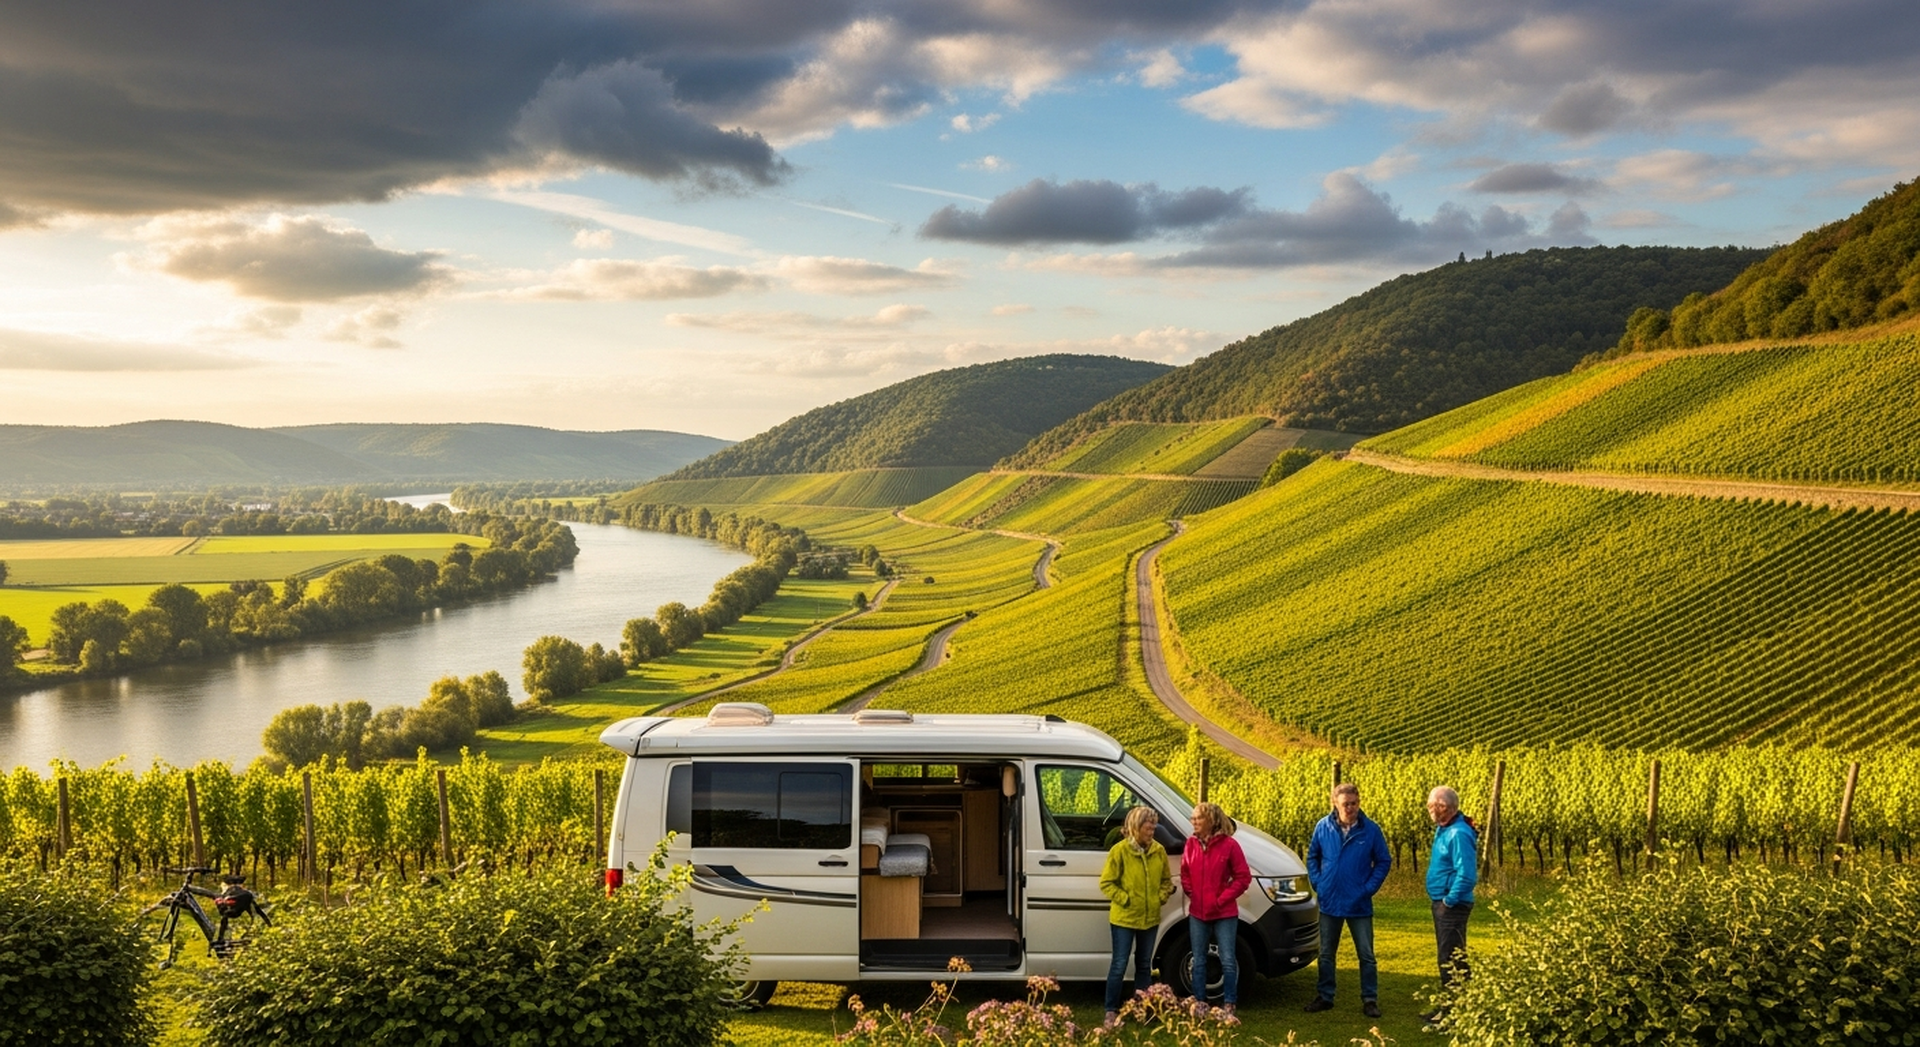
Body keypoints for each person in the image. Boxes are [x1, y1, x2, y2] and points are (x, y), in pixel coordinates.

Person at [1303, 782, 1391, 1019]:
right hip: (1330, 901)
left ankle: (1370, 999)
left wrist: (1368, 888)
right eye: (1345, 804)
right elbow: (1313, 856)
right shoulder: (1323, 827)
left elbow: (1383, 861)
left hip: (1358, 903)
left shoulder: (1371, 830)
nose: (1350, 808)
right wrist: (1318, 883)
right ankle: (1325, 996)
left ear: (1358, 802)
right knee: (1326, 953)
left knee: (1366, 955)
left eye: (1354, 803)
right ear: (1335, 804)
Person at [1100, 805, 1172, 1025]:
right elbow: (1106, 883)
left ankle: (1143, 1009)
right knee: (1119, 964)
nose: (1152, 829)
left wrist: (1161, 897)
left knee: (1144, 965)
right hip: (1124, 919)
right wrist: (1126, 899)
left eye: (1153, 826)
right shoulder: (1119, 851)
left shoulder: (1158, 850)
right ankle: (1111, 1011)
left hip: (1150, 920)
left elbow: (1166, 881)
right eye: (1148, 826)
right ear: (1135, 826)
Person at [1181, 801, 1251, 1017]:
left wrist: (1222, 899)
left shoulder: (1230, 846)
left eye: (1198, 818)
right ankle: (1200, 1004)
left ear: (1211, 821)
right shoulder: (1190, 844)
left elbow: (1243, 877)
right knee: (1199, 960)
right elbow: (1185, 872)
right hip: (1198, 913)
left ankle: (1229, 1003)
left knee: (1228, 960)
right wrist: (1191, 892)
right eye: (1192, 818)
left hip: (1224, 913)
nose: (1193, 821)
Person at [1423, 785, 1478, 1022]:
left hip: (1452, 906)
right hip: (1444, 903)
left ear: (1453, 808)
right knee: (1454, 956)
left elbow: (1467, 874)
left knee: (1450, 958)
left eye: (1441, 805)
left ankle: (1451, 1014)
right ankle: (1462, 1009)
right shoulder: (1444, 828)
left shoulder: (1458, 834)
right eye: (1431, 805)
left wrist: (1449, 900)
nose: (1435, 810)